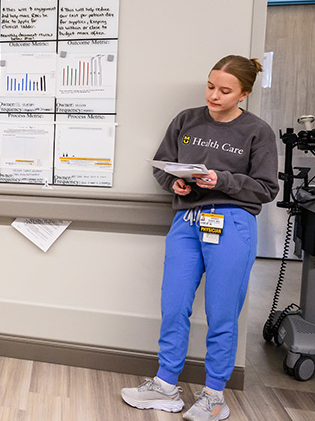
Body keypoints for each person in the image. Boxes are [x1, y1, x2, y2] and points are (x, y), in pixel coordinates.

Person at [121, 55, 279, 421]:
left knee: (222, 312)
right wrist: (173, 181)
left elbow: (266, 187)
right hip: (186, 221)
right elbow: (163, 164)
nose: (214, 95)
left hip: (231, 222)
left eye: (225, 90)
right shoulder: (186, 120)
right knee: (173, 305)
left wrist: (221, 180)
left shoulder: (258, 132)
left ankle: (213, 395)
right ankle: (165, 386)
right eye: (210, 86)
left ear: (244, 93)